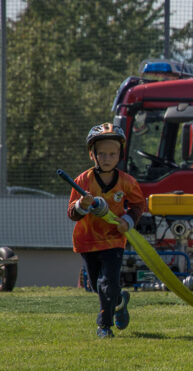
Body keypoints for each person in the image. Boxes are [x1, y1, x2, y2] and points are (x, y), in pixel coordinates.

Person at [67, 123, 145, 338]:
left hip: (114, 240)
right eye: (102, 153)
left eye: (112, 154)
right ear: (92, 155)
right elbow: (72, 213)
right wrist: (81, 205)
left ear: (120, 155)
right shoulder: (82, 181)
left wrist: (128, 220)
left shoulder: (127, 182)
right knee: (97, 286)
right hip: (87, 241)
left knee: (107, 283)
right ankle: (119, 301)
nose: (107, 158)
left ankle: (104, 326)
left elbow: (138, 204)